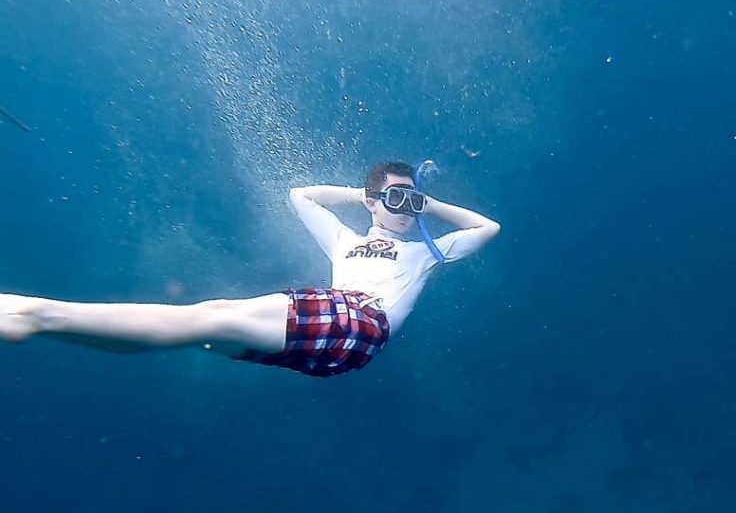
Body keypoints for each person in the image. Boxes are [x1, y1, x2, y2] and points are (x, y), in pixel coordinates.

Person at [0, 161, 500, 377]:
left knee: (209, 317)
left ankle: (36, 316)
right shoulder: (344, 242)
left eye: (411, 198)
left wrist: (426, 203)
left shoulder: (426, 253)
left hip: (361, 323)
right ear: (373, 201)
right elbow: (300, 196)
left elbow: (487, 228)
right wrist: (361, 196)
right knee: (197, 329)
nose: (406, 207)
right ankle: (41, 324)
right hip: (335, 340)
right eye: (395, 197)